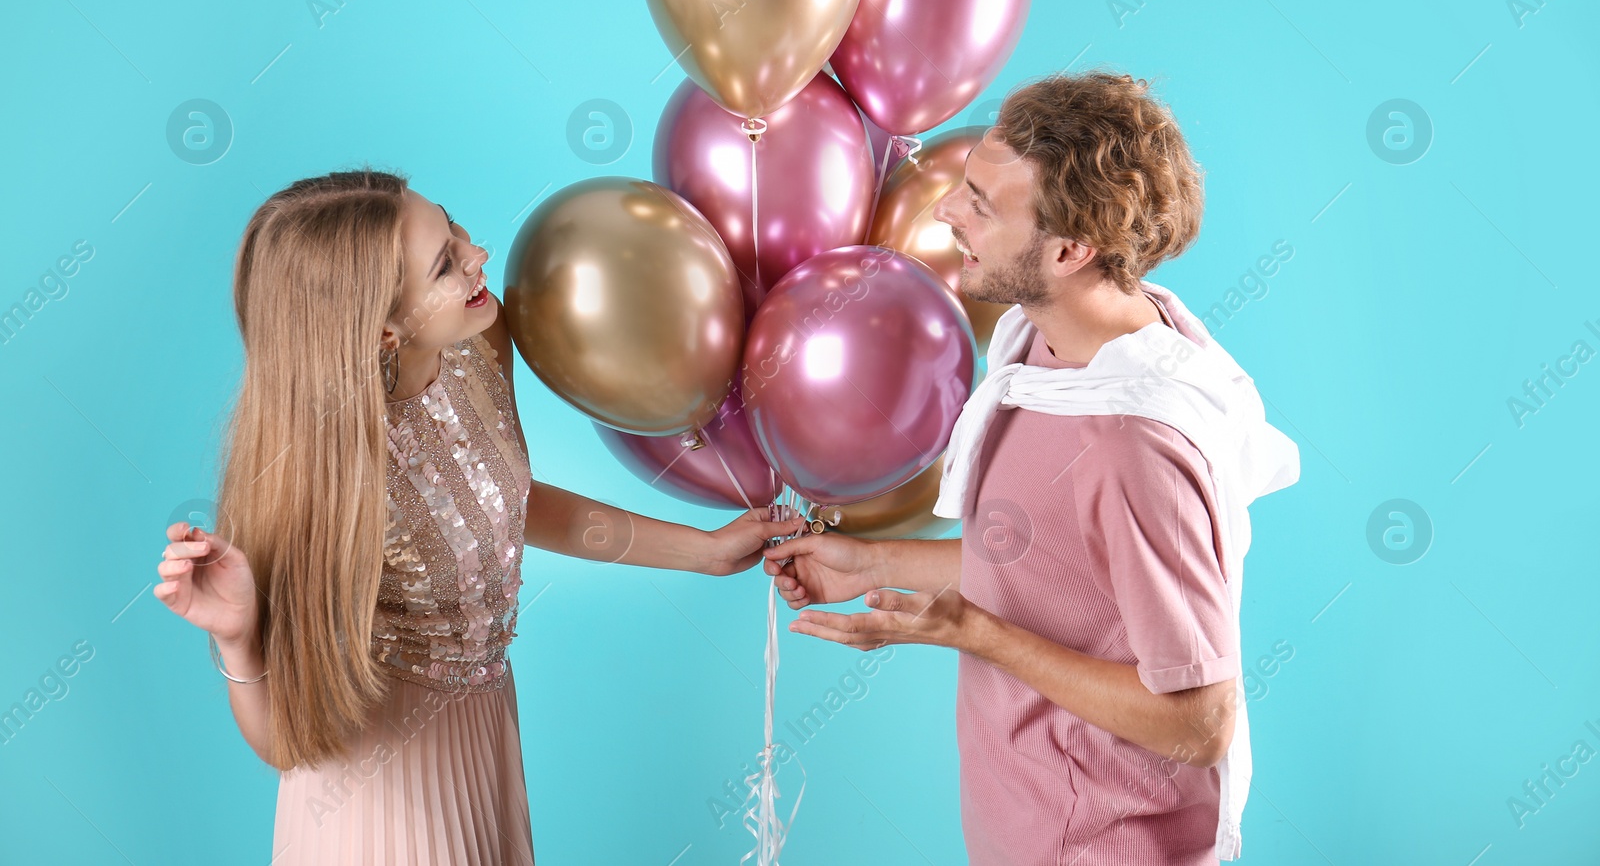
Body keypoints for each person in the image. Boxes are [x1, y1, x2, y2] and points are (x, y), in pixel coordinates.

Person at [154, 169, 801, 865]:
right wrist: (241, 641)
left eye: (455, 229)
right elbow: (286, 742)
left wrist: (704, 549)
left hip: (485, 735)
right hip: (378, 794)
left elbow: (505, 500)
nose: (478, 255)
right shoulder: (325, 475)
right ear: (382, 329)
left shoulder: (481, 345)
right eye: (444, 263)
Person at [765, 71, 1300, 864]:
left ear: (1069, 249)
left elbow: (1199, 719)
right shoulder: (1042, 345)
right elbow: (1054, 567)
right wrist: (870, 561)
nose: (946, 212)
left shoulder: (1132, 441)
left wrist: (977, 634)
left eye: (981, 202)